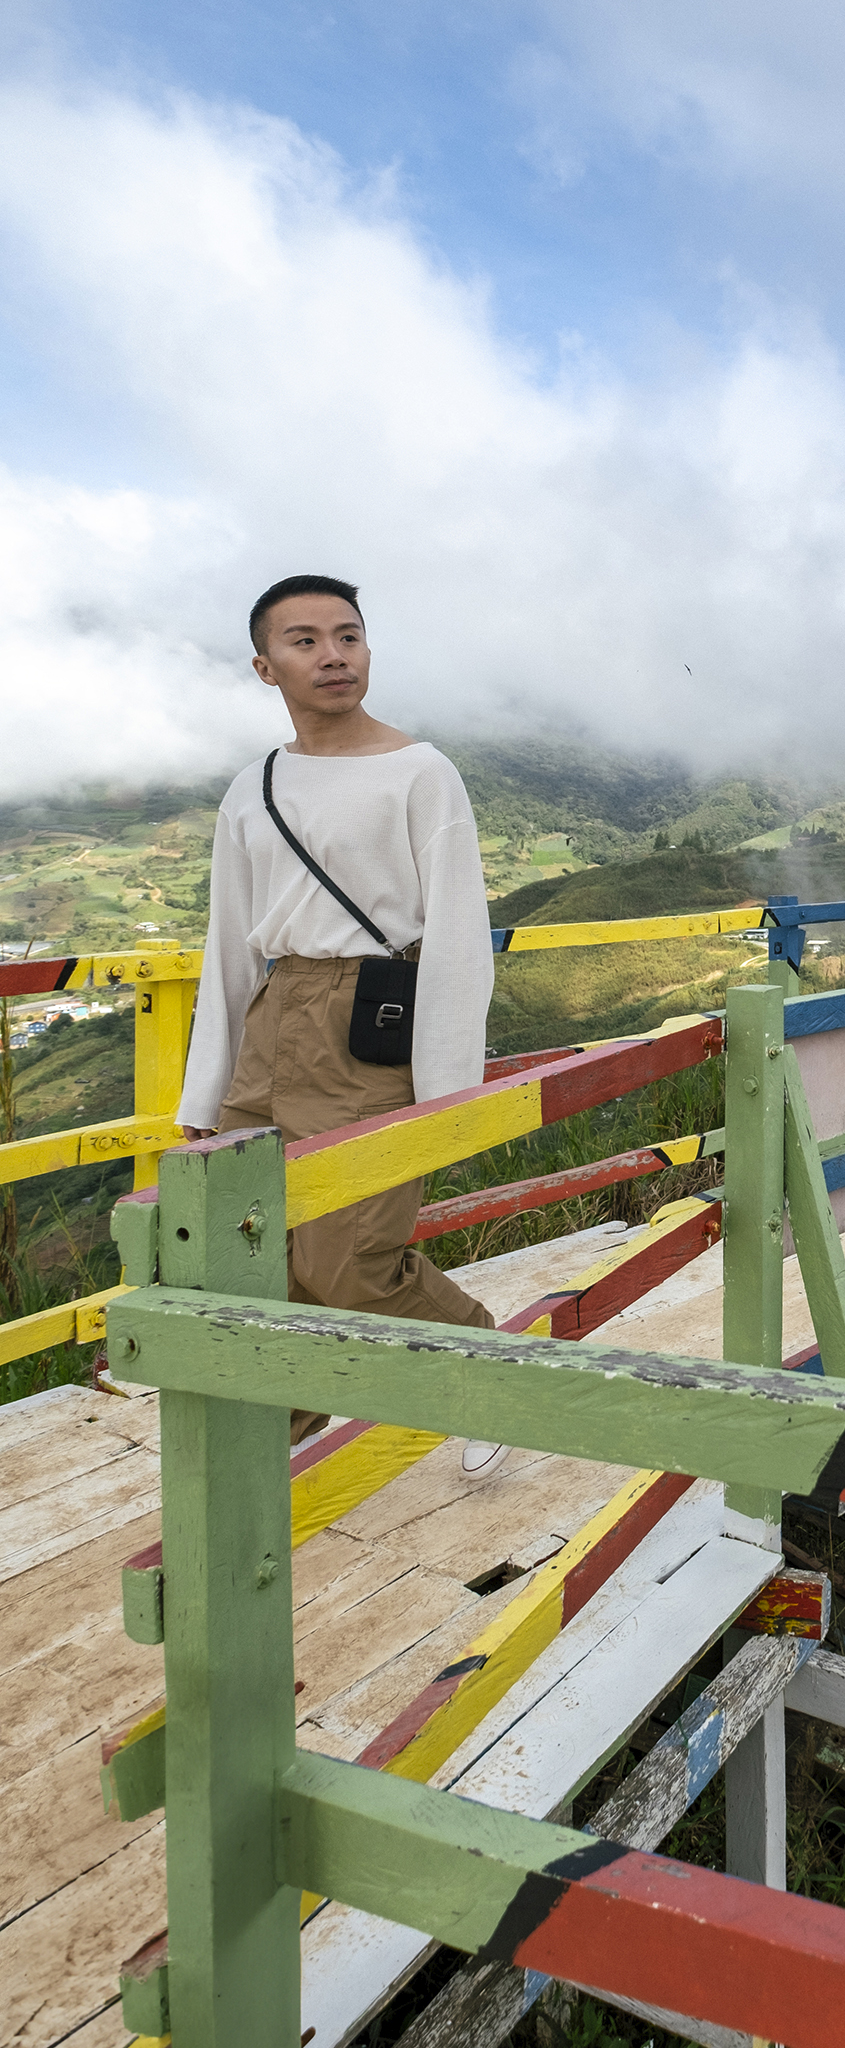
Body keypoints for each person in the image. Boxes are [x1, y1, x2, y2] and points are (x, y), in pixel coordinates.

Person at [179, 576, 503, 1467]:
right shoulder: (256, 784)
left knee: (353, 1261)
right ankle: (271, 1437)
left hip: (367, 1023)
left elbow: (458, 939)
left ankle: (497, 1378)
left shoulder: (420, 772)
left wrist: (448, 1097)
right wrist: (206, 1089)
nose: (334, 656)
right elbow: (228, 946)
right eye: (307, 640)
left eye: (349, 636)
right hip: (271, 1019)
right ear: (264, 666)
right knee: (249, 1254)